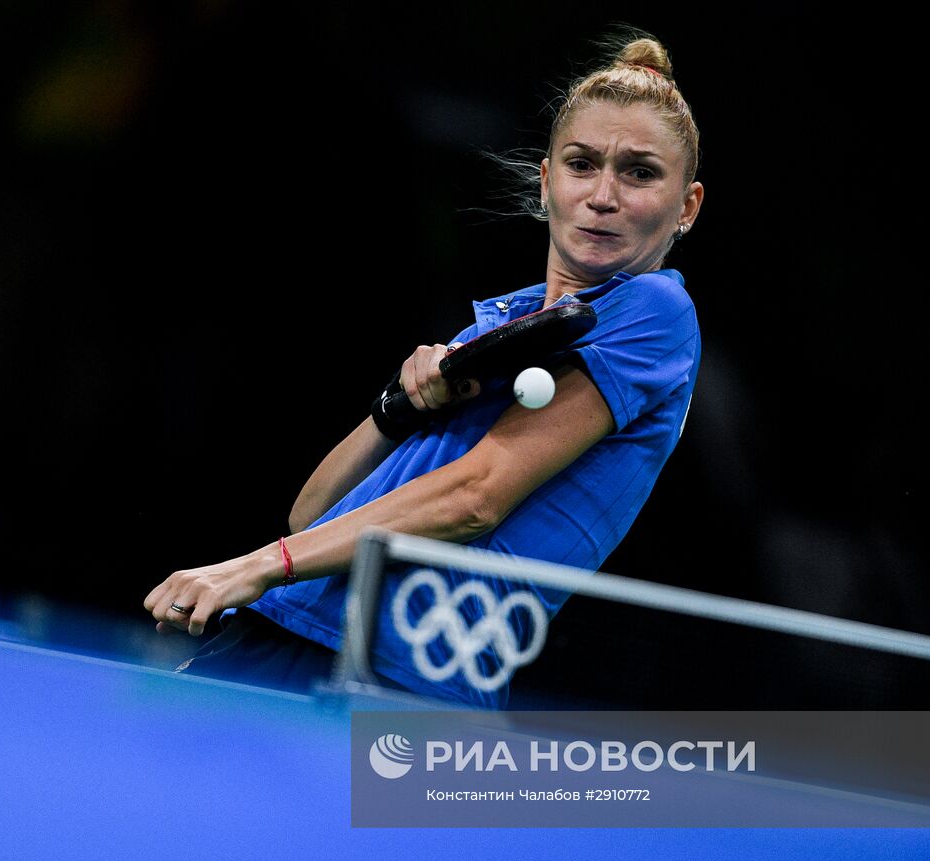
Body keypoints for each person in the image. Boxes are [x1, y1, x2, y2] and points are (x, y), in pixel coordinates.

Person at [143, 28, 704, 709]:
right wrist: (396, 408)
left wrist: (255, 567)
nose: (604, 194)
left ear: (687, 207)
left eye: (640, 172)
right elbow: (310, 512)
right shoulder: (492, 329)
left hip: (399, 678)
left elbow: (476, 498)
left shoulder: (654, 312)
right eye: (583, 164)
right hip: (289, 629)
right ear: (547, 180)